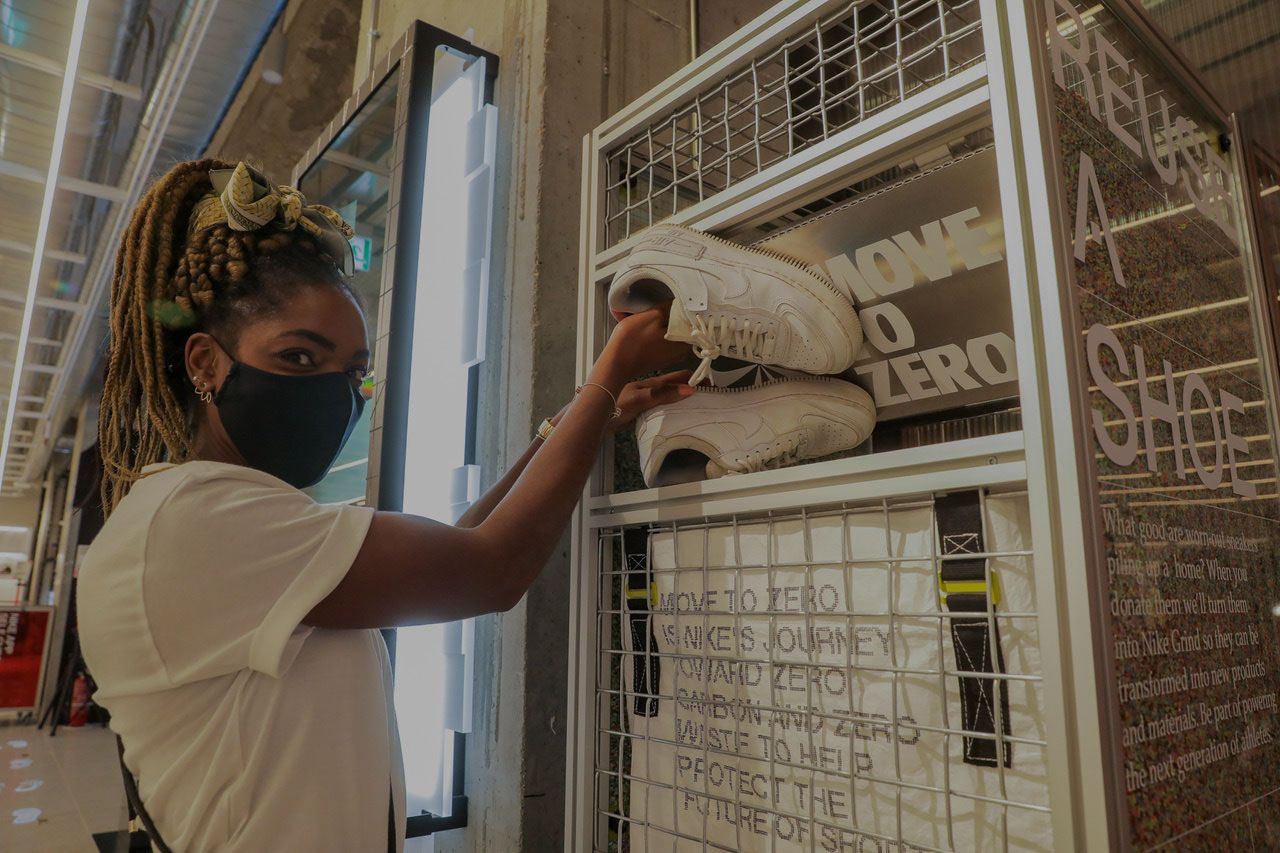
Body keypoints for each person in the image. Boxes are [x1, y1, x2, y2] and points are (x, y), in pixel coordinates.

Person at [76, 159, 691, 851]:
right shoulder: (199, 519)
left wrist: (584, 415)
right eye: (299, 357)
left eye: (355, 373)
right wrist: (609, 373)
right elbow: (490, 569)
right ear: (204, 362)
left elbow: (459, 544)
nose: (335, 393)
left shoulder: (216, 514)